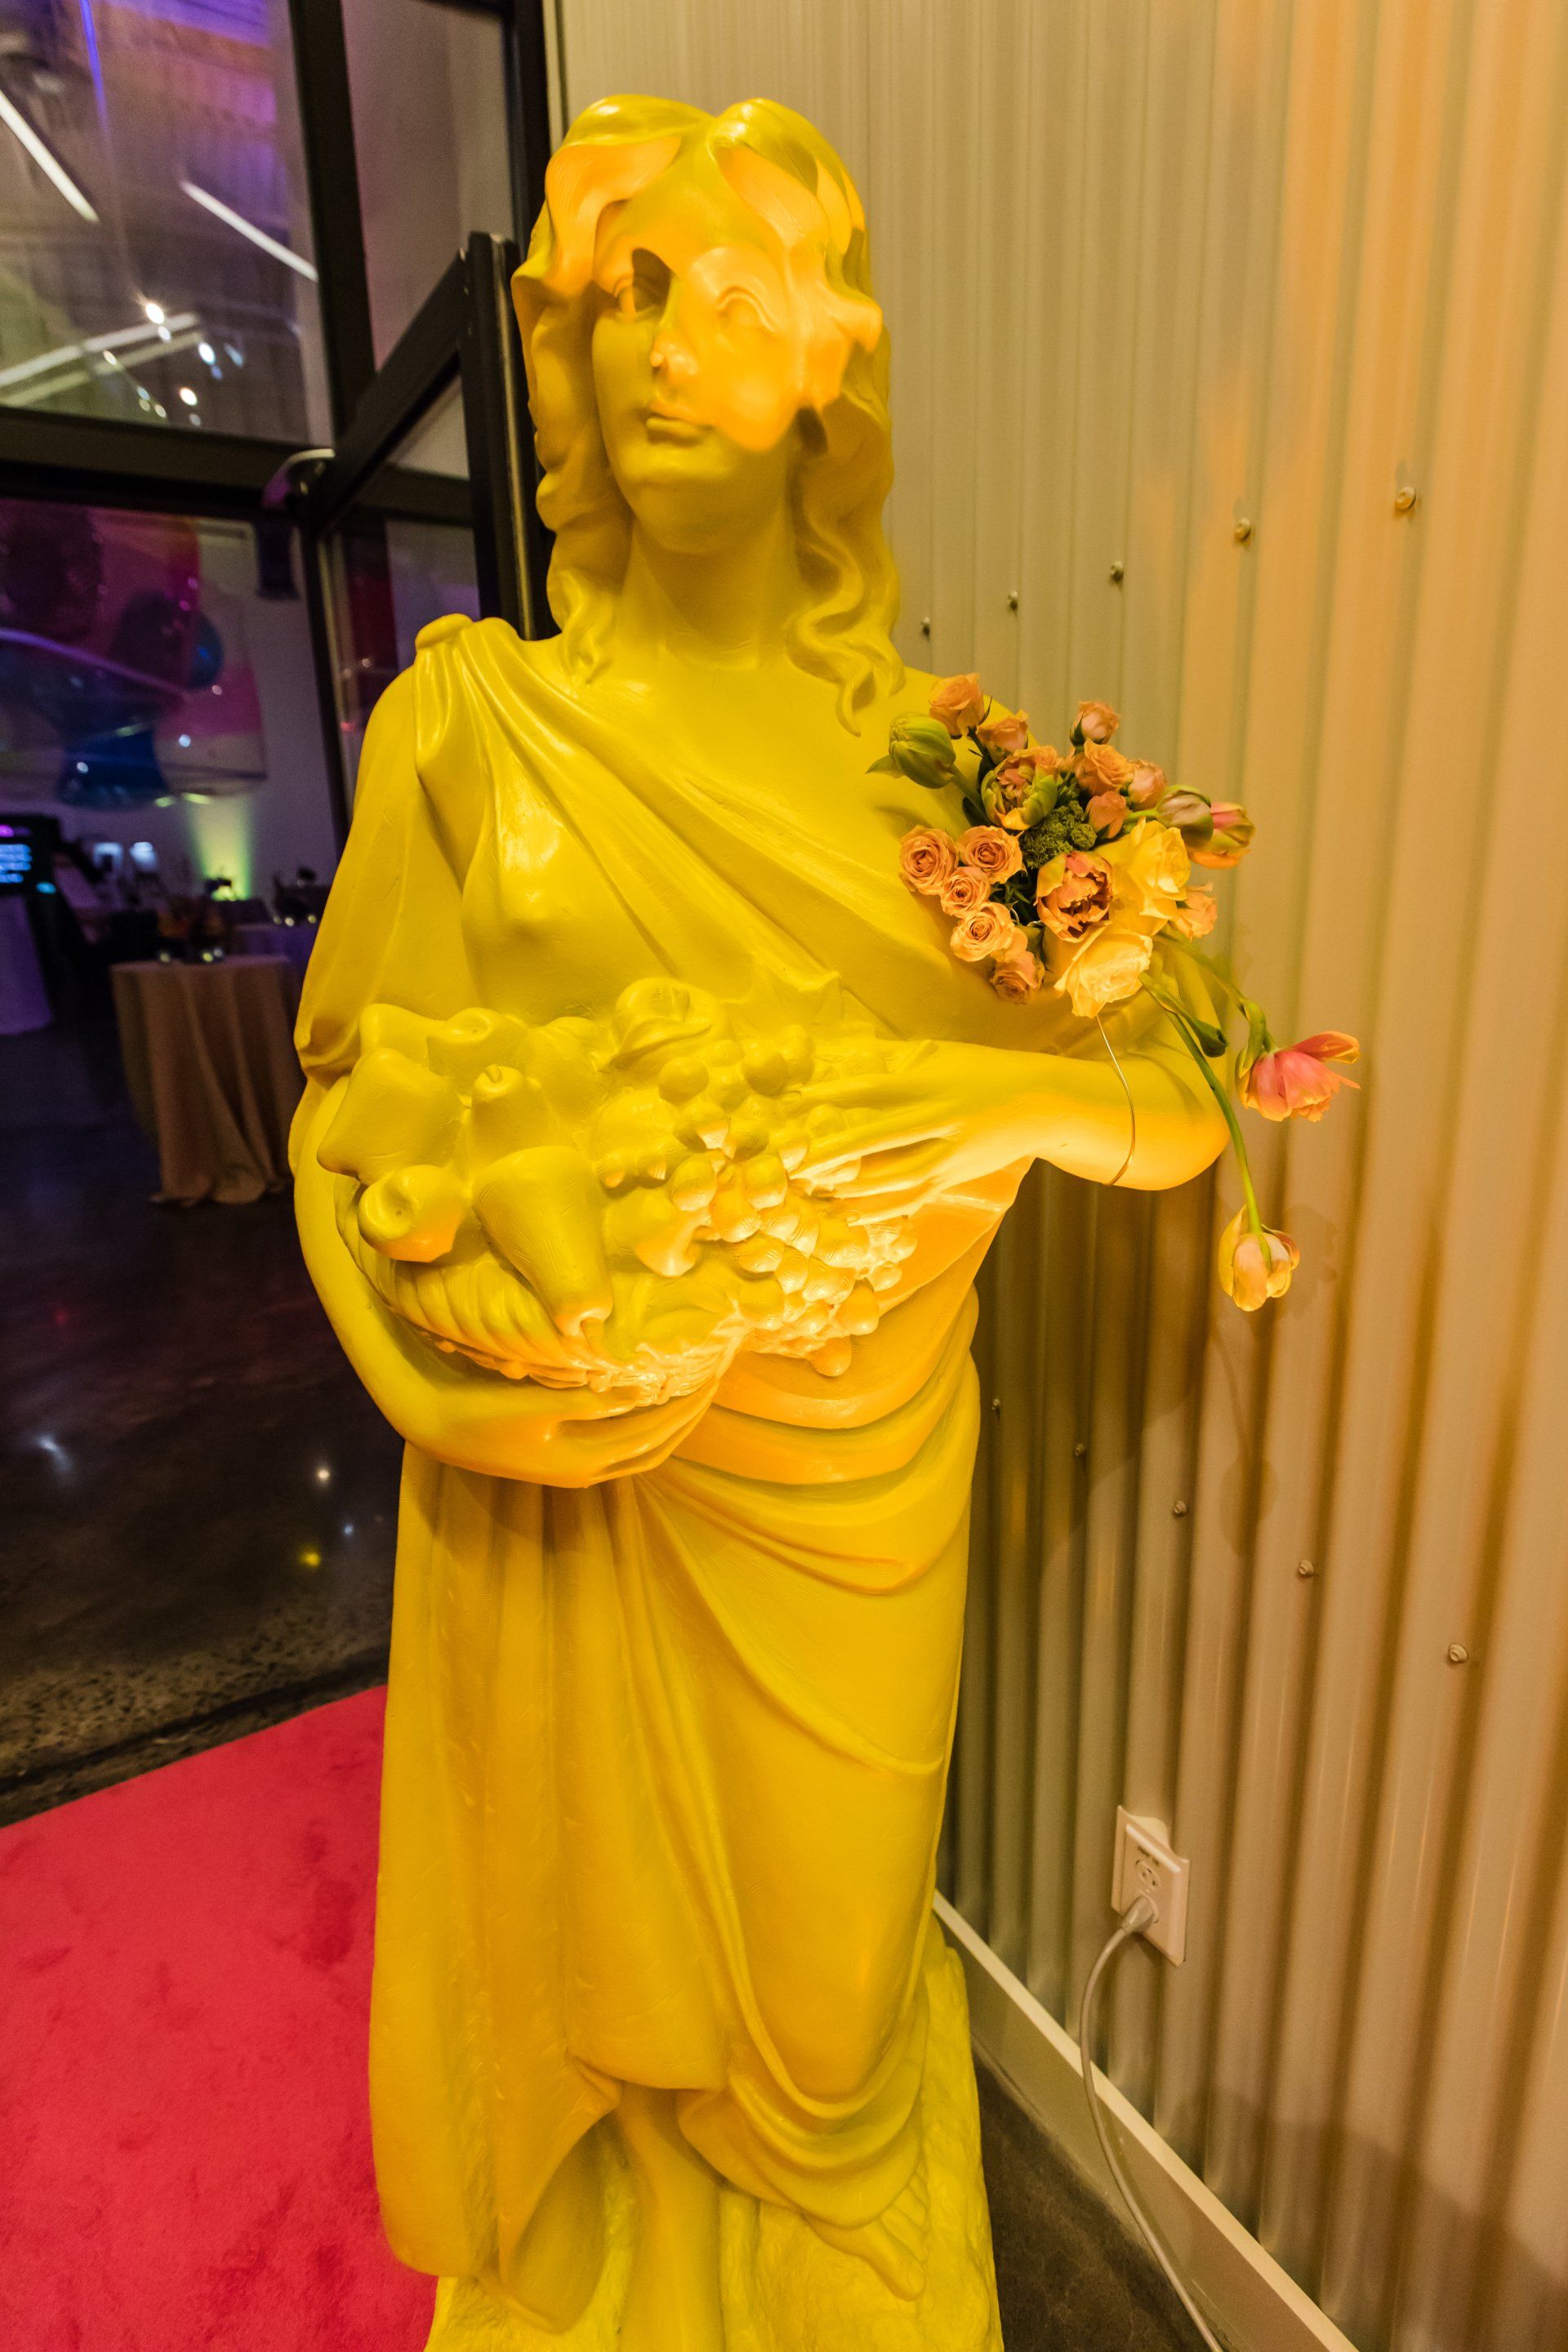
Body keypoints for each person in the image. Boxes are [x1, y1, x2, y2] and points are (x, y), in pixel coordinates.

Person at [293, 96, 1223, 2352]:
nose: (657, 345)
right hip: (566, 1491)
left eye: (720, 288)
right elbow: (349, 1120)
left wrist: (952, 1090)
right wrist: (444, 1374)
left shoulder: (957, 778)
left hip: (855, 1485)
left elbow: (1179, 1113)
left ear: (832, 356)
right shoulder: (469, 736)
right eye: (613, 298)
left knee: (826, 2005)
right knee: (586, 2000)